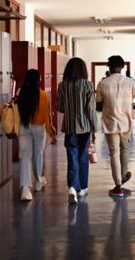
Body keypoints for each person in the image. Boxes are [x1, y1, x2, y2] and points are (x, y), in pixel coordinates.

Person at [96, 55, 135, 197]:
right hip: (126, 123)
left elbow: (99, 105)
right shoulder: (131, 82)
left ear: (109, 66)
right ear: (122, 67)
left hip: (110, 124)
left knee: (114, 153)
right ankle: (123, 174)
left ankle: (118, 185)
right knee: (125, 150)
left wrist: (110, 104)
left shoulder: (102, 84)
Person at [57, 57, 97, 204]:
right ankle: (82, 188)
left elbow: (60, 108)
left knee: (72, 156)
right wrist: (94, 129)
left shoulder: (62, 85)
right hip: (85, 127)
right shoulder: (88, 85)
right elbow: (91, 110)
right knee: (83, 157)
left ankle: (73, 188)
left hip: (69, 128)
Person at [17, 69, 57, 201]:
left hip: (24, 127)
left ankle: (25, 189)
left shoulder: (20, 93)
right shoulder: (44, 96)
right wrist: (52, 133)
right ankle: (39, 181)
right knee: (38, 154)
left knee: (25, 156)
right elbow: (47, 117)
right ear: (38, 80)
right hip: (39, 128)